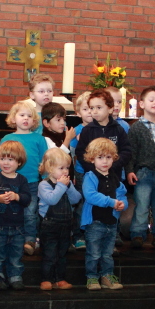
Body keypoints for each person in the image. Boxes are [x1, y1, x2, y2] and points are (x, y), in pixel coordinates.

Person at [1, 100, 48, 256]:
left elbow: (44, 161)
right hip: (11, 182)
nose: (26, 118)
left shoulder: (39, 139)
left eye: (29, 116)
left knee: (30, 213)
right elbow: (1, 160)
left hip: (32, 183)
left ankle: (30, 240)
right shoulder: (7, 138)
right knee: (11, 211)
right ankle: (10, 238)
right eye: (22, 115)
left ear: (34, 121)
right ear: (13, 118)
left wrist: (46, 179)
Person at [81, 138, 127, 291]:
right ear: (92, 159)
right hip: (95, 222)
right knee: (93, 253)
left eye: (108, 157)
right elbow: (90, 195)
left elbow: (121, 194)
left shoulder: (114, 177)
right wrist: (111, 202)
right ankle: (92, 277)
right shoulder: (90, 176)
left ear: (113, 158)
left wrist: (122, 204)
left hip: (111, 222)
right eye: (100, 157)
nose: (105, 161)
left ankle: (107, 276)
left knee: (107, 254)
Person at [126, 86, 155, 251]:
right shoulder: (136, 127)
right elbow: (131, 152)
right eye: (152, 100)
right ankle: (138, 233)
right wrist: (130, 170)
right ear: (142, 104)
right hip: (143, 173)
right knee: (142, 205)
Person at [0, 141, 31, 291]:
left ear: (19, 162)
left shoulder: (22, 180)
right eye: (2, 159)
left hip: (17, 226)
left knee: (16, 254)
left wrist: (17, 196)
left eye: (10, 159)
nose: (6, 163)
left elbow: (27, 199)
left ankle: (15, 276)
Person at [37, 148, 81, 290]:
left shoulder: (66, 184)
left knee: (62, 254)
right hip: (49, 225)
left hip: (66, 225)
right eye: (61, 168)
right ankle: (46, 279)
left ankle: (60, 278)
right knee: (49, 254)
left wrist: (69, 186)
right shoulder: (44, 185)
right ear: (50, 168)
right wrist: (61, 186)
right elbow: (52, 199)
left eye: (67, 168)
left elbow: (76, 199)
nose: (65, 171)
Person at [74, 89, 132, 181]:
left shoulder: (118, 129)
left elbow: (126, 151)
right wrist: (93, 168)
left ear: (110, 109)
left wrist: (113, 165)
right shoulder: (87, 130)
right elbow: (81, 153)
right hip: (92, 176)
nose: (94, 111)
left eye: (99, 107)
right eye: (92, 108)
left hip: (114, 175)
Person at [70, 91, 92, 251]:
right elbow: (71, 154)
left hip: (98, 173)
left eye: (93, 108)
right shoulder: (76, 130)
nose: (90, 112)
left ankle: (92, 234)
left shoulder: (101, 128)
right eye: (85, 109)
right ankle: (78, 235)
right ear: (78, 113)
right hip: (81, 172)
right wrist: (72, 175)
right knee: (81, 204)